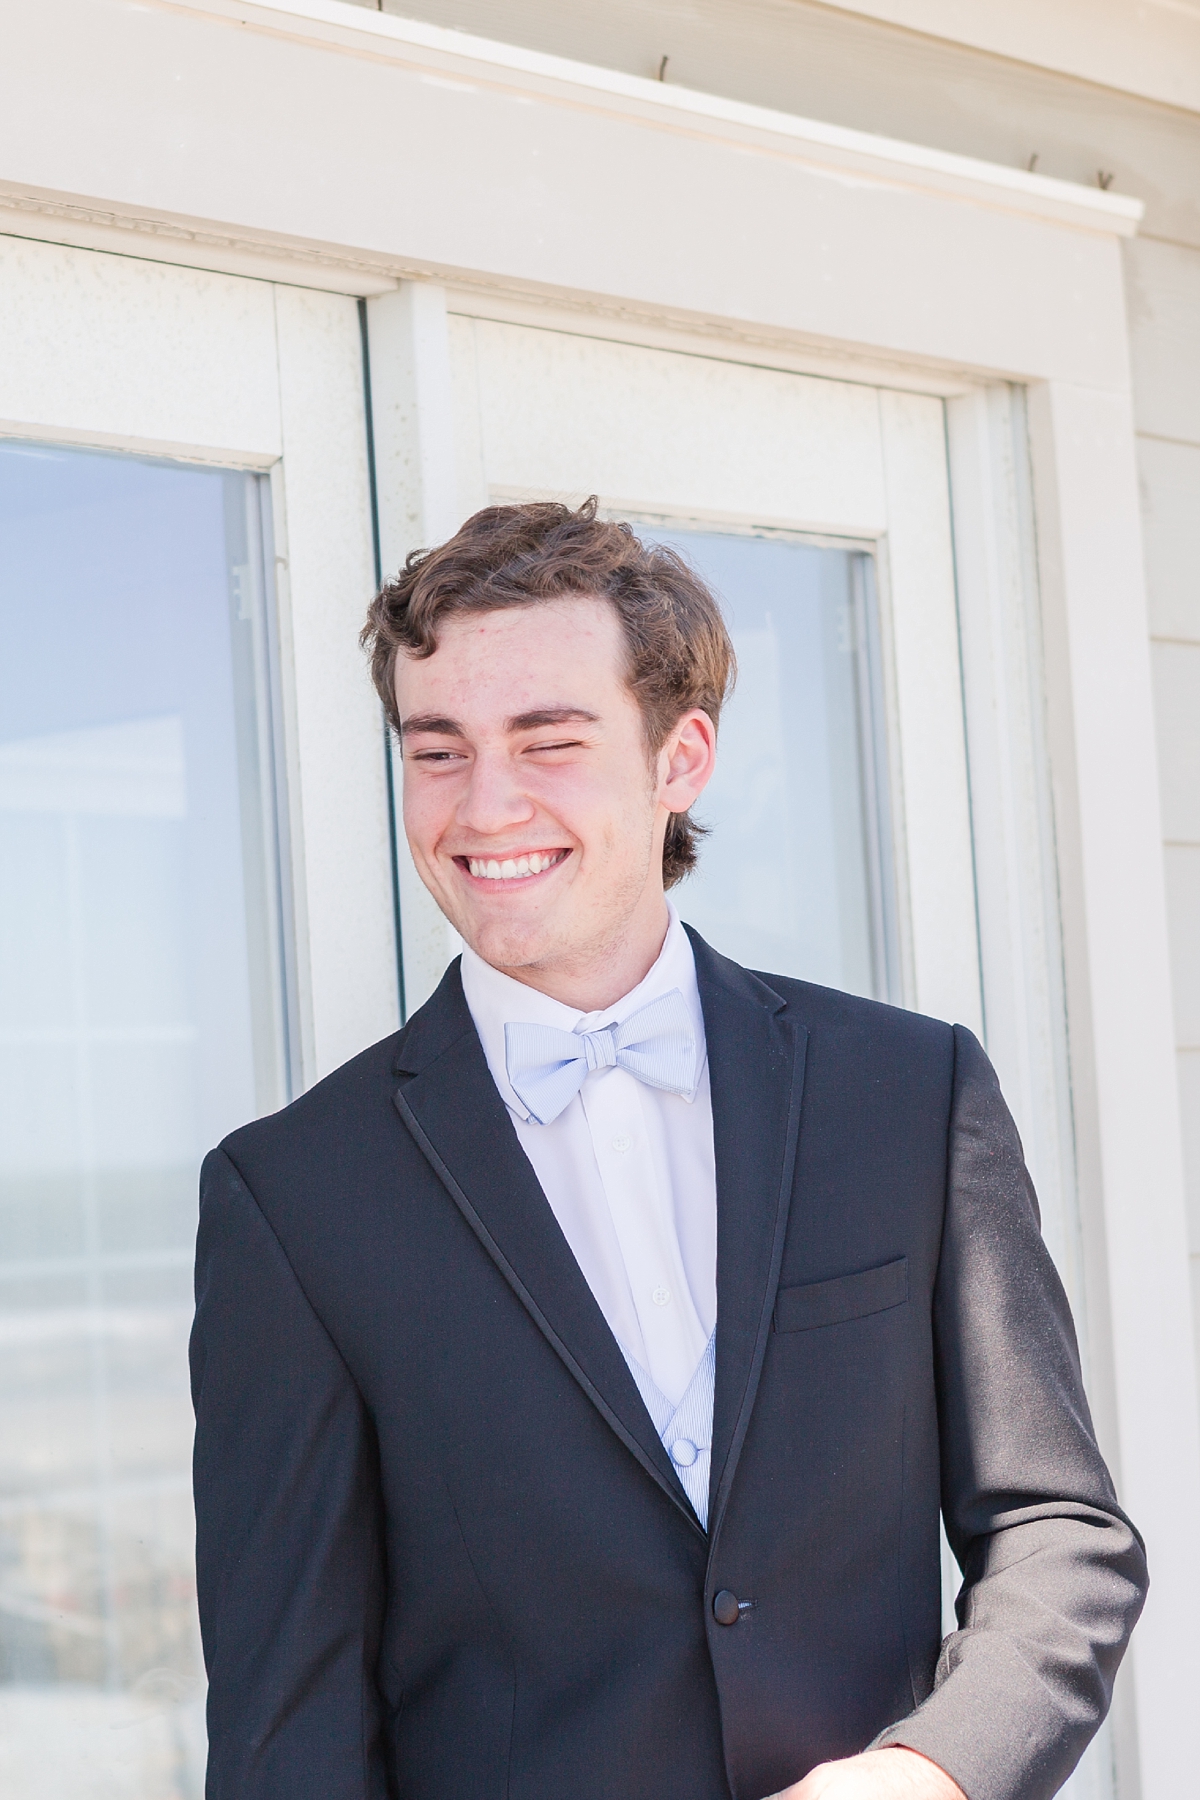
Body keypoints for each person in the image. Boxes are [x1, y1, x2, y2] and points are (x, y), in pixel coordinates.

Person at [191, 499, 1147, 1800]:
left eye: (550, 742)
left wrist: (929, 1772)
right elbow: (286, 1735)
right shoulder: (291, 1197)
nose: (487, 805)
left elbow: (1056, 1530)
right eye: (439, 750)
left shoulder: (910, 1094)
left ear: (680, 756)